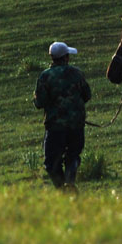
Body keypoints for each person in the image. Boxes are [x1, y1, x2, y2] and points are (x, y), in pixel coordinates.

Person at [33, 41, 92, 188]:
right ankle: (70, 182)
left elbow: (39, 103)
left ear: (52, 57)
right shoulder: (77, 73)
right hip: (76, 124)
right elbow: (87, 95)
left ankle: (62, 190)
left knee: (51, 162)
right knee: (73, 156)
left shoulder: (45, 76)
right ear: (66, 57)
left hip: (55, 126)